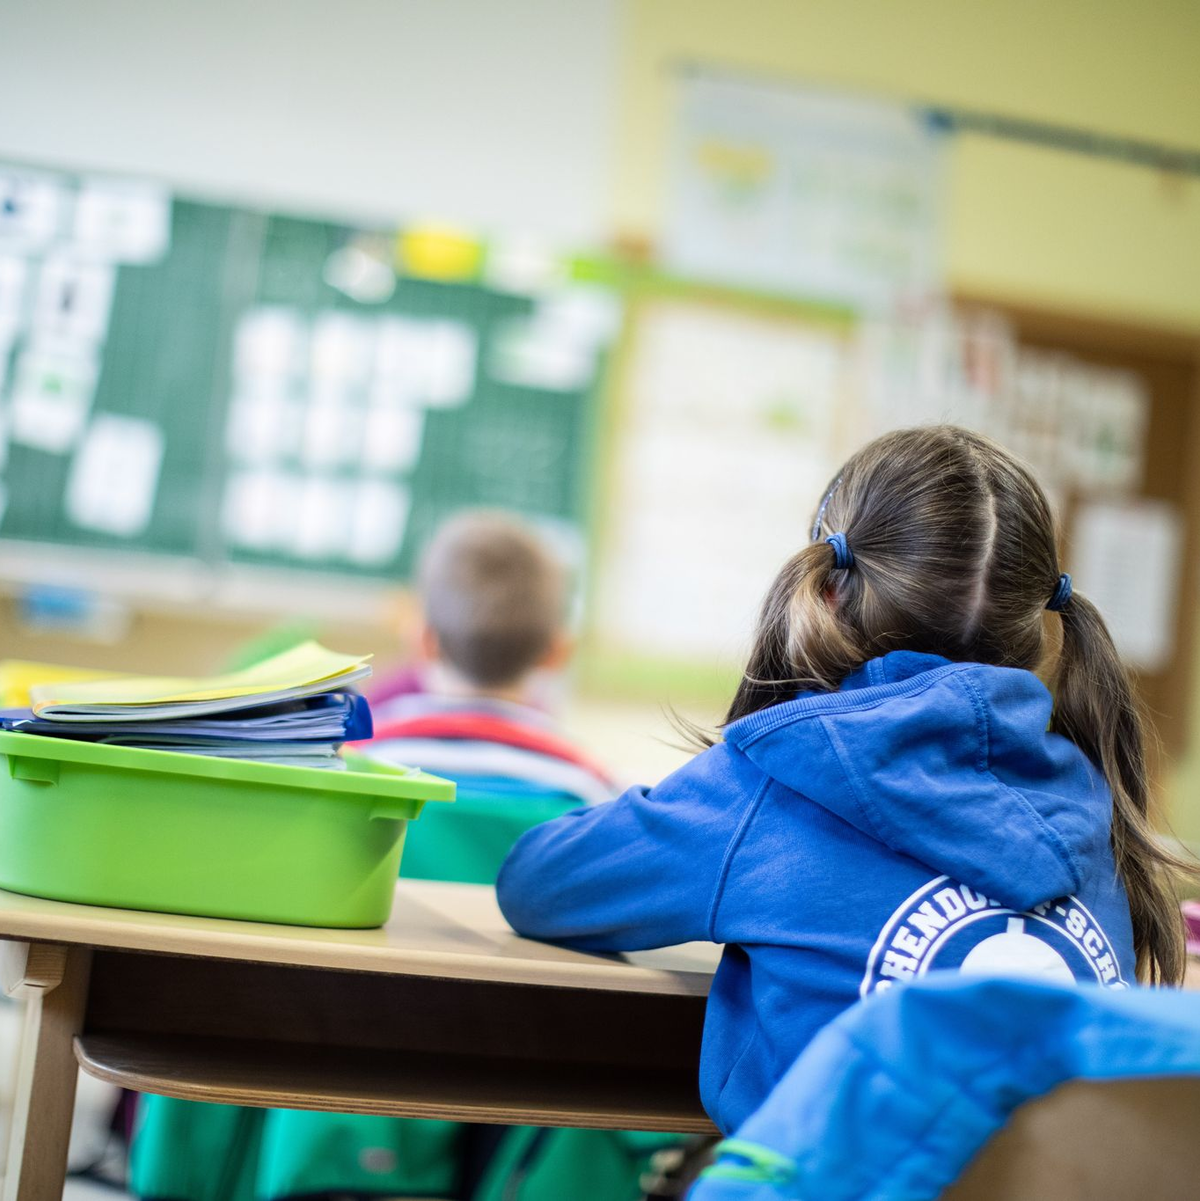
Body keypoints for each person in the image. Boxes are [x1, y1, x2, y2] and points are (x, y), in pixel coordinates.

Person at [495, 424, 1193, 1139]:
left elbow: (538, 884)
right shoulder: (1093, 799)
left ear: (829, 589)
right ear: (1039, 622)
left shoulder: (773, 778)